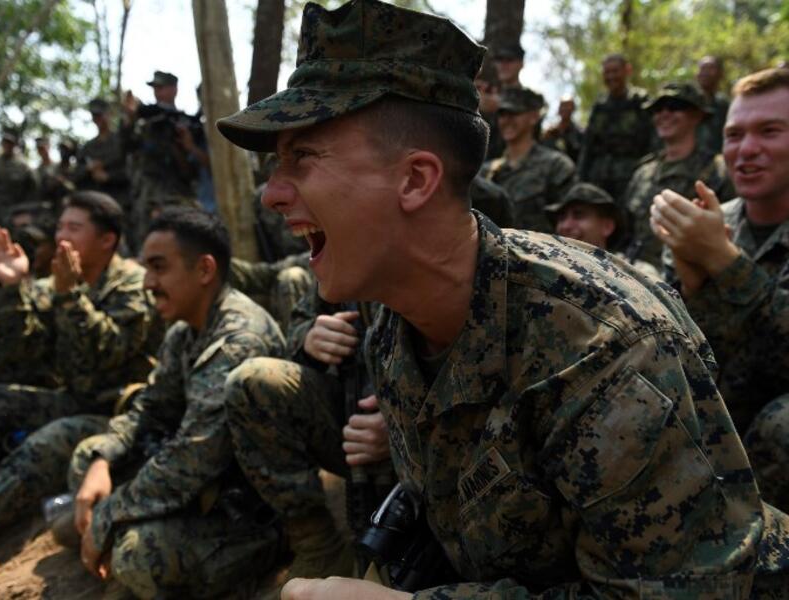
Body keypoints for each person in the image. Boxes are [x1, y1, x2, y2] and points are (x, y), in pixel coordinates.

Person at [217, 1, 789, 598]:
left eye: (302, 158)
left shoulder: (606, 348)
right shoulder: (394, 312)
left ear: (416, 179)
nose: (273, 195)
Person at [68, 207, 286, 597]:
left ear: (204, 270)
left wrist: (110, 513)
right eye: (146, 268)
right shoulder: (184, 331)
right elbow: (150, 409)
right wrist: (104, 459)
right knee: (89, 459)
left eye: (159, 268)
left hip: (250, 517)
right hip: (203, 489)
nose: (148, 283)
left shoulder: (238, 340)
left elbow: (192, 458)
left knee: (136, 555)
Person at [650, 68, 789, 512]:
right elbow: (685, 357)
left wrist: (724, 262)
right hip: (726, 405)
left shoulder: (711, 235)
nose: (746, 151)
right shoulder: (709, 220)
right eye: (734, 135)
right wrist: (692, 278)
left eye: (770, 131)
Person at [225, 286, 393, 590]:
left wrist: (402, 421)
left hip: (436, 441)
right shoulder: (341, 251)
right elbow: (302, 317)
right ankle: (318, 545)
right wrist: (308, 339)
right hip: (355, 429)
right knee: (252, 383)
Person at [0, 191, 160, 459]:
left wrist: (69, 297)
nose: (61, 236)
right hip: (71, 399)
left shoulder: (135, 285)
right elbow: (23, 350)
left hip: (118, 410)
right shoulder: (54, 284)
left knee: (39, 452)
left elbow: (108, 353)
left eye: (74, 228)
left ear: (107, 240)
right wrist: (11, 287)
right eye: (60, 227)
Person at [622, 82, 735, 267]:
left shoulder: (718, 170)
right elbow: (626, 231)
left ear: (697, 115)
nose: (664, 114)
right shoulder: (643, 172)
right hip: (636, 275)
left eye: (675, 107)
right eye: (657, 109)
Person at [121, 70, 203, 250]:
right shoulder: (146, 121)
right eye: (154, 88)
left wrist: (182, 145)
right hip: (147, 192)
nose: (157, 92)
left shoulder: (185, 122)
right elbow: (126, 146)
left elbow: (193, 169)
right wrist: (129, 118)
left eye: (161, 87)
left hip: (177, 193)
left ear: (174, 89)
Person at [480, 87, 576, 232]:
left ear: (534, 117)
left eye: (514, 113)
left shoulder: (556, 166)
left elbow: (569, 222)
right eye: (502, 114)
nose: (506, 120)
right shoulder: (486, 171)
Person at [578, 54, 655, 201]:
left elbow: (653, 142)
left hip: (631, 179)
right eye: (607, 72)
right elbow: (587, 147)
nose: (611, 76)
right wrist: (581, 179)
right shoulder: (599, 106)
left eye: (615, 71)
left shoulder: (641, 101)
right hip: (598, 179)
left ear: (627, 71)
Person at [545, 182, 660, 280]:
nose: (566, 225)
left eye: (579, 215)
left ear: (607, 227)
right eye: (561, 218)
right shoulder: (544, 265)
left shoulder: (639, 273)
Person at [0, 129, 38, 227]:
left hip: (11, 215)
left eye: (10, 143)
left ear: (15, 145)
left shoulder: (23, 167)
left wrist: (25, 212)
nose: (7, 145)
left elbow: (33, 193)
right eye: (5, 142)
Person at [696, 55, 730, 154]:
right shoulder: (687, 103)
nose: (705, 72)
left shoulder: (724, 105)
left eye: (710, 68)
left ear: (720, 73)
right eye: (702, 68)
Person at [542, 95, 584, 162]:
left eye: (568, 106)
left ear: (573, 109)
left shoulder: (579, 133)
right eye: (563, 106)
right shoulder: (550, 132)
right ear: (559, 109)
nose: (565, 109)